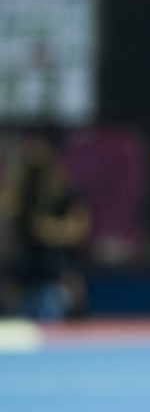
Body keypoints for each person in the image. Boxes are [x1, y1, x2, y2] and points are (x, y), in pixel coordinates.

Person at [0, 131, 91, 321]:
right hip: (20, 282)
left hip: (55, 280)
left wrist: (47, 228)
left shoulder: (66, 194)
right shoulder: (20, 198)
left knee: (50, 308)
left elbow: (78, 231)